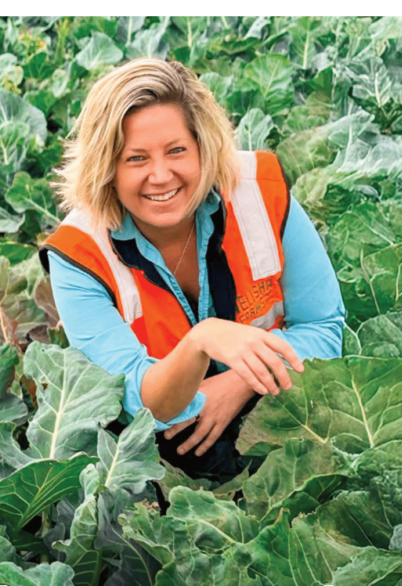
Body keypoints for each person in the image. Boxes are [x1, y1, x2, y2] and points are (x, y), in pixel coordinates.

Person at [43, 58, 345, 481]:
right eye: (136, 159)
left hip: (282, 408)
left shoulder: (261, 192)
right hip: (163, 455)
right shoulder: (78, 255)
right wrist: (201, 341)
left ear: (204, 146)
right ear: (106, 169)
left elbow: (325, 328)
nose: (160, 175)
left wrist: (241, 381)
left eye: (176, 150)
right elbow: (141, 403)